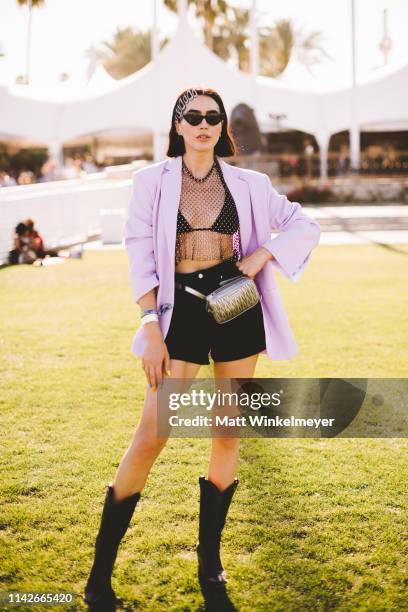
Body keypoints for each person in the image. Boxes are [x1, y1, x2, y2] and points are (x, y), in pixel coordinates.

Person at [83, 87, 321, 607]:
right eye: (193, 116)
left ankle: (211, 572)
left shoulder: (249, 183)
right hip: (180, 311)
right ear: (178, 123)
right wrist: (149, 323)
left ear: (221, 126)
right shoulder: (151, 181)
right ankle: (99, 579)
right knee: (152, 434)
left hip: (237, 301)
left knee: (227, 434)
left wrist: (260, 258)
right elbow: (139, 252)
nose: (203, 124)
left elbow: (303, 223)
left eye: (212, 116)